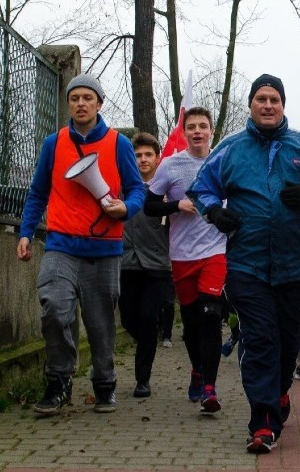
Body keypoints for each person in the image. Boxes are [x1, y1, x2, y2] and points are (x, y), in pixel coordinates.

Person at [188, 73, 300, 454]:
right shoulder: (230, 149)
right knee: (260, 339)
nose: (267, 105)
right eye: (260, 98)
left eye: (274, 99)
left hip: (295, 265)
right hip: (247, 264)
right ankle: (262, 422)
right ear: (250, 104)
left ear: (282, 105)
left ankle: (278, 393)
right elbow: (201, 188)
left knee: (288, 339)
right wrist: (215, 213)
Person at [17, 73, 145, 415]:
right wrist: (26, 232)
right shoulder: (52, 144)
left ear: (99, 103)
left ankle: (104, 382)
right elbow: (37, 192)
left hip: (104, 250)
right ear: (69, 104)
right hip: (60, 246)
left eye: (88, 97)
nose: (81, 103)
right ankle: (58, 380)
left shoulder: (119, 144)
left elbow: (137, 190)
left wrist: (126, 208)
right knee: (54, 309)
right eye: (75, 98)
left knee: (101, 325)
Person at [143, 107, 227, 414]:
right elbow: (149, 206)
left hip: (216, 251)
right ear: (184, 132)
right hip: (182, 255)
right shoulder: (170, 165)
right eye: (191, 126)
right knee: (191, 325)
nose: (197, 131)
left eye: (202, 126)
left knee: (211, 315)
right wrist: (177, 204)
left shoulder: (223, 161)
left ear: (211, 131)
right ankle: (196, 368)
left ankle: (210, 388)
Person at [118, 132, 172, 399]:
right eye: (138, 155)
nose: (142, 159)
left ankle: (143, 379)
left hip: (157, 264)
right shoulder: (122, 185)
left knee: (148, 317)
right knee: (129, 318)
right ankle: (148, 343)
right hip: (126, 261)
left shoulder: (166, 189)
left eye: (148, 154)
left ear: (158, 158)